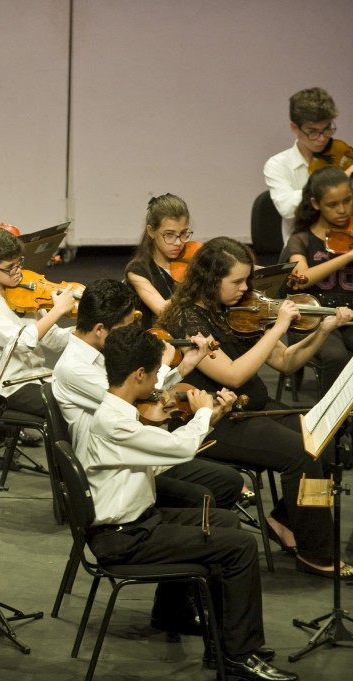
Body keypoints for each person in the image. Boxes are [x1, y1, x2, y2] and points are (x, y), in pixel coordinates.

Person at [84, 324, 296, 681]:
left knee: (224, 522)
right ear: (139, 374)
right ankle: (238, 654)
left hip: (135, 523)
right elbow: (179, 450)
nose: (159, 384)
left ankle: (221, 640)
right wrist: (200, 413)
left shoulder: (119, 412)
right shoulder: (114, 423)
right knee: (241, 546)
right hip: (124, 538)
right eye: (156, 373)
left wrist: (210, 418)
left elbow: (162, 457)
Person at [159, 236, 352, 578]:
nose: (245, 288)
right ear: (210, 280)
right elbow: (232, 375)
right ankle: (315, 551)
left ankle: (285, 520)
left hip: (254, 409)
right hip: (217, 420)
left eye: (247, 279)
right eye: (236, 281)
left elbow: (287, 361)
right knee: (302, 454)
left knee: (326, 442)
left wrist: (323, 331)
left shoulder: (239, 310)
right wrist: (278, 327)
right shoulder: (189, 320)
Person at [52, 278, 243, 516]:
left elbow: (145, 391)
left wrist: (185, 365)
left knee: (228, 480)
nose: (131, 333)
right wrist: (161, 363)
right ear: (100, 329)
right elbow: (138, 397)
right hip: (114, 471)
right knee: (203, 496)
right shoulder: (74, 368)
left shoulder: (104, 351)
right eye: (126, 327)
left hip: (135, 449)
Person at [0, 227, 75, 421]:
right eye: (10, 267)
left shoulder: (25, 291)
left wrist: (86, 330)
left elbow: (54, 340)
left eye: (19, 263)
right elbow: (22, 343)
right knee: (67, 407)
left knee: (87, 395)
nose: (18, 271)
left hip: (39, 376)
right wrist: (57, 311)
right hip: (7, 387)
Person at [281, 166, 353, 391]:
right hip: (313, 318)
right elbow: (302, 278)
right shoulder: (301, 239)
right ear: (315, 204)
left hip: (350, 315)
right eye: (332, 204)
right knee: (336, 356)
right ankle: (332, 413)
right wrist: (348, 256)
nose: (342, 210)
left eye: (348, 201)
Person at [264, 87, 352, 240]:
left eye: (327, 129)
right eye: (312, 132)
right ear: (294, 127)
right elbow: (287, 209)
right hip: (302, 246)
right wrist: (340, 179)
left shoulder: (343, 154)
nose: (322, 138)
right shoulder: (277, 165)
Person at [124, 193, 193, 329]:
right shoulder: (137, 270)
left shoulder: (192, 260)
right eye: (169, 235)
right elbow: (162, 310)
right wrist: (196, 285)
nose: (178, 242)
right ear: (151, 231)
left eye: (183, 233)